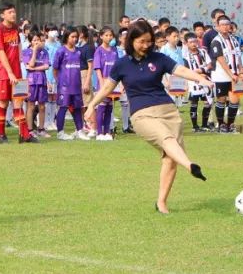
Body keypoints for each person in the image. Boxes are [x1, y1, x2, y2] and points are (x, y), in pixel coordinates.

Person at [86, 19, 214, 214]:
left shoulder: (159, 58)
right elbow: (107, 88)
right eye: (141, 41)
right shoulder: (121, 64)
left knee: (170, 158)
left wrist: (200, 78)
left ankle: (161, 202)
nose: (146, 45)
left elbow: (180, 70)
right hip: (142, 115)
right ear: (131, 40)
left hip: (168, 111)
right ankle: (190, 165)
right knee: (167, 140)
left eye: (149, 41)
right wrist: (91, 105)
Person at [0, 4, 36, 143]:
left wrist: (20, 63)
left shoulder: (16, 28)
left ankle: (24, 135)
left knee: (18, 102)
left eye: (14, 12)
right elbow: (0, 52)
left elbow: (18, 46)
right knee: (3, 102)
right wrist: (9, 72)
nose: (13, 14)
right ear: (2, 15)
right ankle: (1, 134)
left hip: (17, 71)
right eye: (10, 12)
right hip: (4, 73)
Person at [210, 15, 243, 133]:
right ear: (217, 26)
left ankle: (230, 124)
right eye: (222, 25)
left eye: (227, 24)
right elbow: (221, 60)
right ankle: (221, 124)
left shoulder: (234, 40)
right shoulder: (216, 41)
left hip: (234, 75)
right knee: (221, 99)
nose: (225, 27)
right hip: (221, 76)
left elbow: (238, 57)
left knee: (235, 99)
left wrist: (241, 71)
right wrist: (231, 74)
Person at [53, 28, 87, 140]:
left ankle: (79, 131)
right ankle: (60, 132)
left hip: (76, 86)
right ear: (67, 37)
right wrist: (60, 81)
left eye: (76, 37)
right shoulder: (61, 51)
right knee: (63, 108)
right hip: (64, 87)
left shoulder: (78, 52)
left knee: (77, 109)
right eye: (72, 37)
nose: (74, 39)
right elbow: (55, 69)